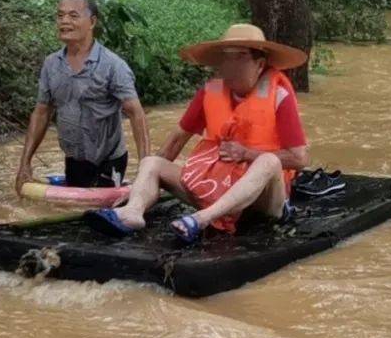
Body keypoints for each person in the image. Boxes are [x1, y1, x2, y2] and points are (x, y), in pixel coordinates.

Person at [84, 23, 310, 243]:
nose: (229, 65)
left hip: (261, 200)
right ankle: (132, 213)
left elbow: (299, 159)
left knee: (268, 161)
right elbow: (176, 139)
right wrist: (139, 187)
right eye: (226, 57)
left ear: (259, 64)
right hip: (214, 187)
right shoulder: (209, 93)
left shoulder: (279, 96)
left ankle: (202, 219)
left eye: (238, 57)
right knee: (152, 163)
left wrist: (247, 154)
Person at [14, 0, 150, 195]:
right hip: (74, 160)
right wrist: (25, 163)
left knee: (98, 218)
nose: (64, 21)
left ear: (92, 22)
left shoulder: (113, 65)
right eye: (60, 16)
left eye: (73, 16)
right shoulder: (51, 64)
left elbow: (136, 114)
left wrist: (145, 172)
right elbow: (42, 112)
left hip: (109, 160)